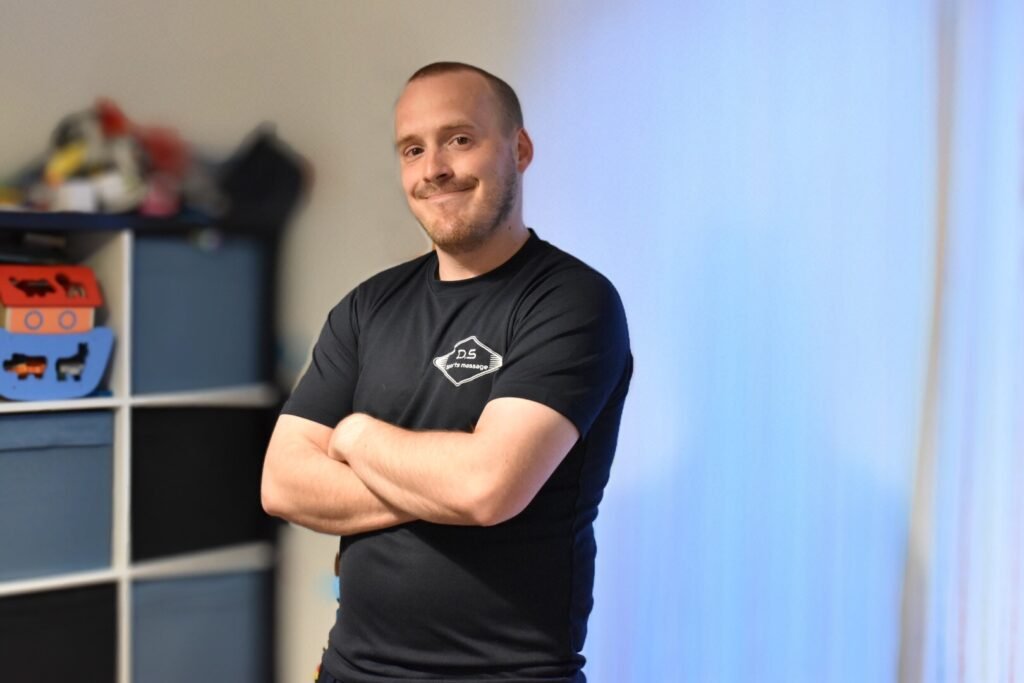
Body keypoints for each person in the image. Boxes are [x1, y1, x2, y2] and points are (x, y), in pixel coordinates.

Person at [261, 61, 632, 683]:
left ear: (519, 149)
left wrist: (355, 436)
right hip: (351, 670)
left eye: (459, 139)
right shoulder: (367, 307)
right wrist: (441, 483)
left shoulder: (571, 301)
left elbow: (485, 488)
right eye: (413, 149)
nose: (433, 168)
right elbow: (283, 483)